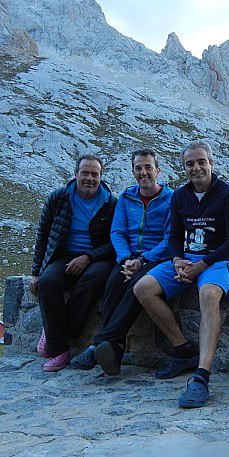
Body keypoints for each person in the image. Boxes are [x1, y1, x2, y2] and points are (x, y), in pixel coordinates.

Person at [133, 140, 229, 408]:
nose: (196, 168)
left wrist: (201, 266)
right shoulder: (180, 197)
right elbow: (173, 236)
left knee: (208, 293)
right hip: (187, 260)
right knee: (142, 288)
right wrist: (177, 261)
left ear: (211, 164)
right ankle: (182, 349)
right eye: (190, 163)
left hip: (219, 261)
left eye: (201, 162)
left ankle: (201, 377)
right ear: (184, 168)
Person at [70, 149, 173, 375]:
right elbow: (117, 231)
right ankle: (113, 350)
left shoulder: (171, 199)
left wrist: (143, 259)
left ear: (158, 170)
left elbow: (170, 239)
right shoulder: (126, 198)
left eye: (148, 167)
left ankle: (99, 343)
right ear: (133, 171)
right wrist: (126, 259)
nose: (143, 172)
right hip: (128, 257)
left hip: (155, 259)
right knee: (113, 283)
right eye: (138, 168)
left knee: (136, 287)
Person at [30, 155, 117, 372]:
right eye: (85, 173)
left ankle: (54, 331)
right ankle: (60, 350)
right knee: (48, 283)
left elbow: (114, 241)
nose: (89, 178)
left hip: (97, 258)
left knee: (93, 280)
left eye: (94, 174)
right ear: (75, 174)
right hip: (63, 256)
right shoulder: (58, 198)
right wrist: (36, 272)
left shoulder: (111, 202)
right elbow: (43, 235)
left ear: (101, 177)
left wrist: (88, 257)